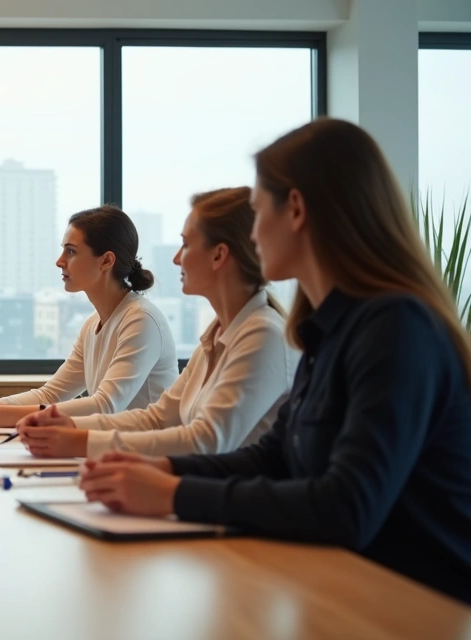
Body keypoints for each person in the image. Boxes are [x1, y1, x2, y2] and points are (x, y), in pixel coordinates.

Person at [72, 119, 471, 605]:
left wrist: (173, 494)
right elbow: (276, 457)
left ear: (297, 210)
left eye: (259, 211)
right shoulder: (324, 329)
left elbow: (346, 505)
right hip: (340, 588)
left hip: (414, 606)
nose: (253, 234)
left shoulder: (396, 328)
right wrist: (163, 472)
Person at [16, 188, 296, 458]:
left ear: (219, 255)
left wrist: (81, 441)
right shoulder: (217, 337)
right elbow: (157, 418)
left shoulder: (262, 335)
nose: (176, 258)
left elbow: (206, 441)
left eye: (185, 245)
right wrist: (72, 428)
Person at [0, 205, 177, 427]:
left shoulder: (141, 320)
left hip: (151, 459)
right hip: (113, 452)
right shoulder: (93, 324)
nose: (59, 261)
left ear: (106, 260)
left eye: (71, 251)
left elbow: (106, 405)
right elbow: (50, 395)